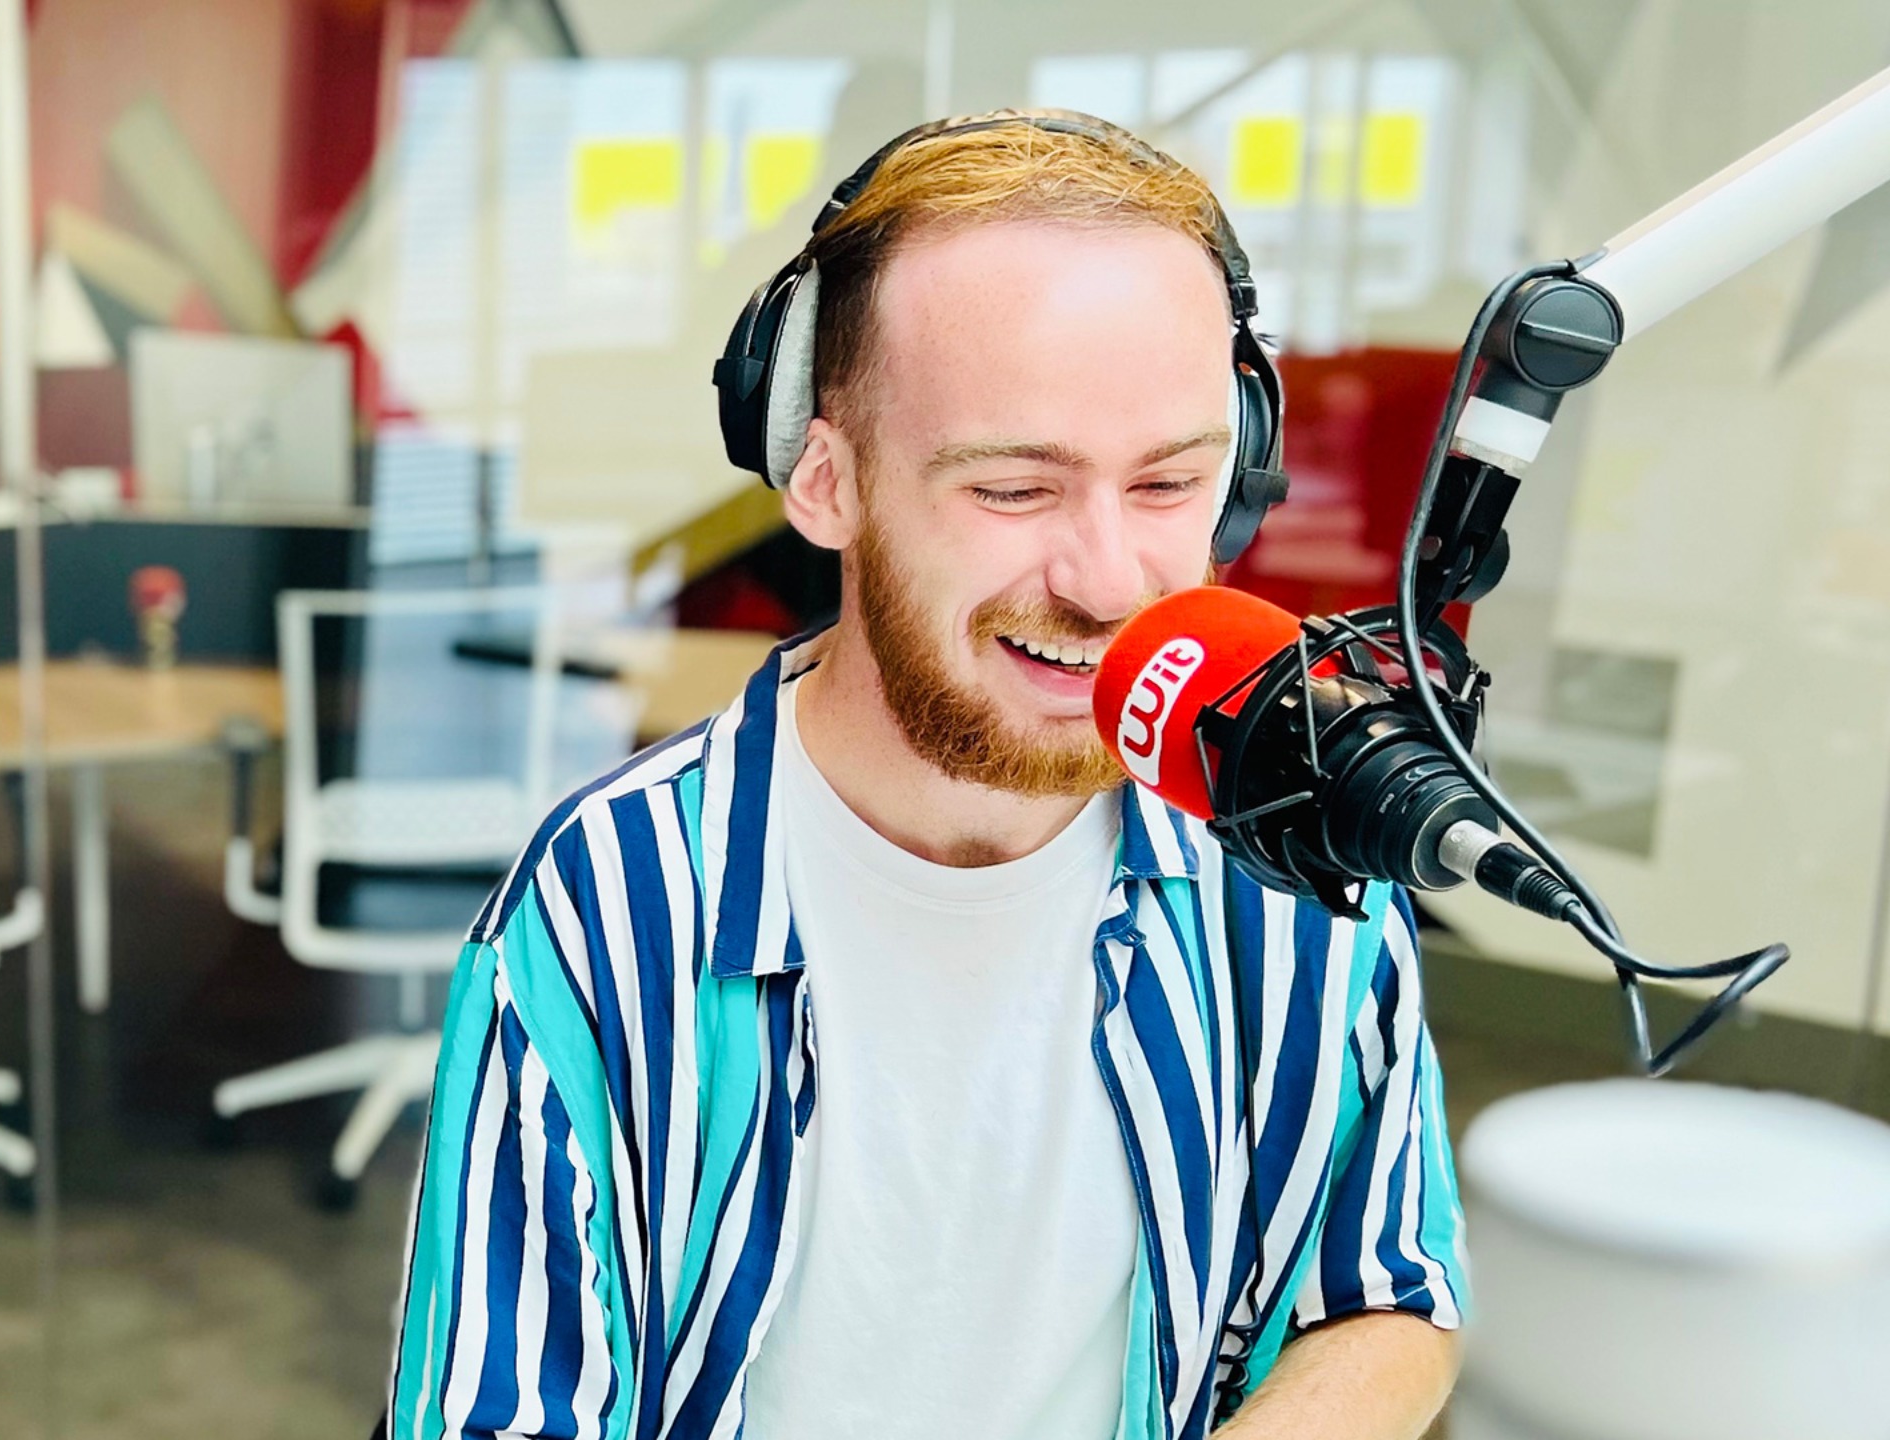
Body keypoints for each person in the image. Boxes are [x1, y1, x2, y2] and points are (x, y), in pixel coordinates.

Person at [387, 111, 1467, 1440]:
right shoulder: (605, 905)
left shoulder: (1293, 856)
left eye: (1167, 484)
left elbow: (1393, 1295)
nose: (1109, 583)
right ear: (824, 479)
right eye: (1014, 489)